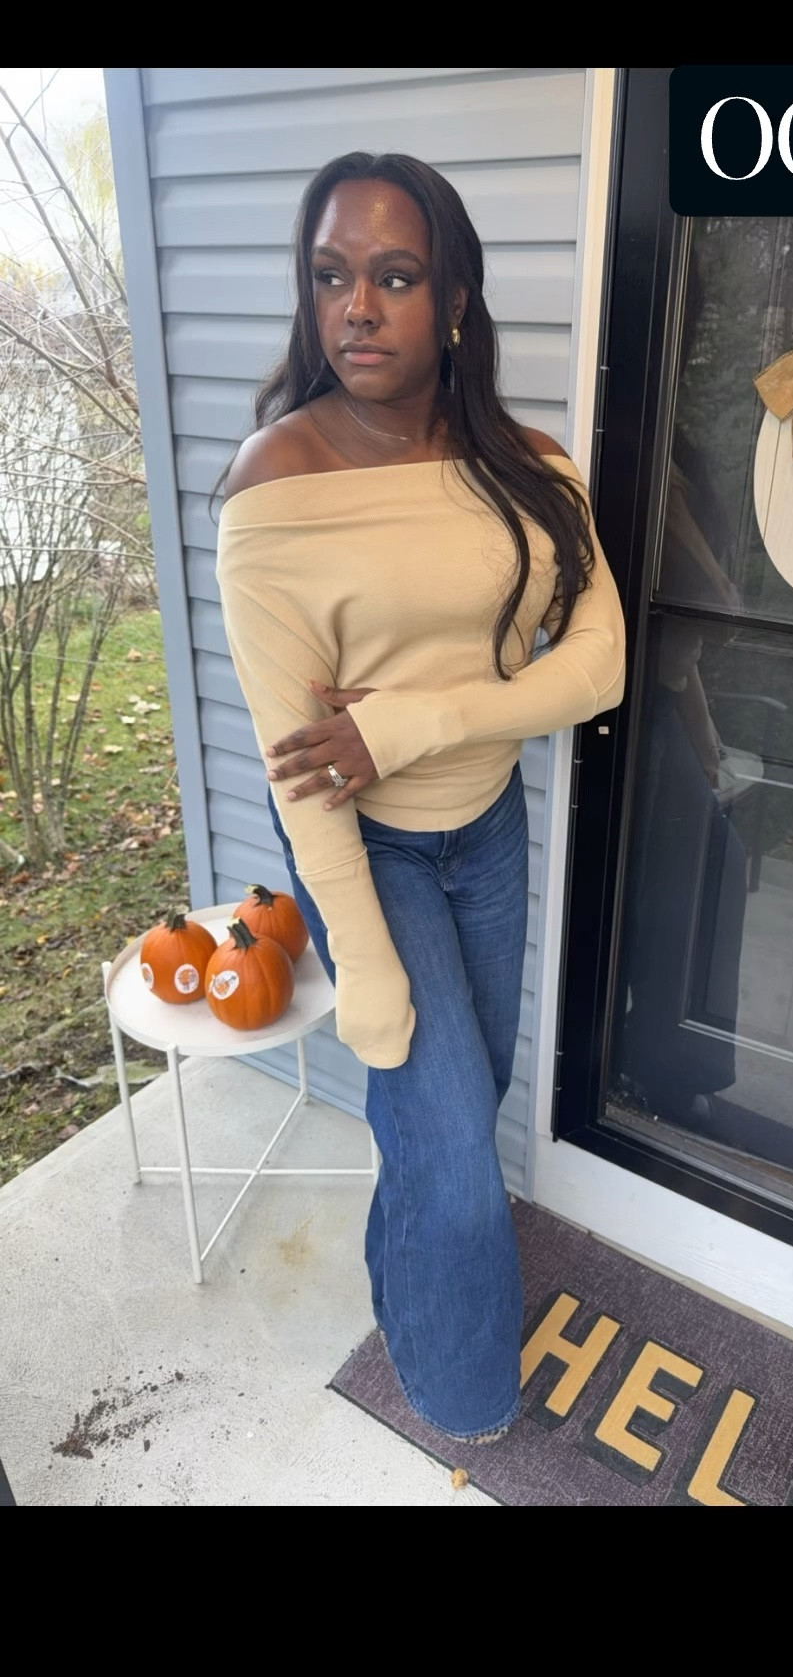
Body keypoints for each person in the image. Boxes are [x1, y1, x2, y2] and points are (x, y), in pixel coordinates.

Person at [214, 152, 625, 1444]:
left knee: (456, 1110)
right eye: (332, 277)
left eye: (395, 277)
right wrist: (367, 958)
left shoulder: (527, 463)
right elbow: (304, 768)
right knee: (454, 1157)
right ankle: (465, 1396)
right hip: (369, 852)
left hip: (489, 831)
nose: (359, 309)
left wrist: (417, 719)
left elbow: (598, 663)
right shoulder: (271, 496)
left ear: (453, 299)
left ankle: (403, 1288)